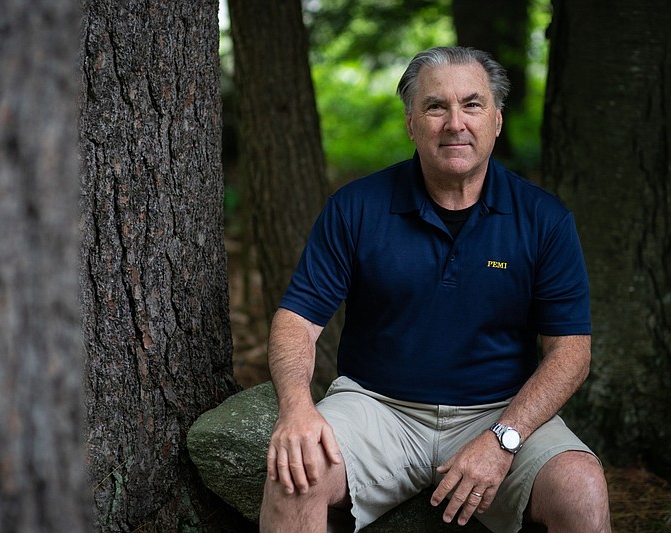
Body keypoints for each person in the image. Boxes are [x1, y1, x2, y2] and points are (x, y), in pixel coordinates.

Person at [259, 46, 611, 532]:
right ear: (411, 123)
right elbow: (297, 319)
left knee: (581, 487)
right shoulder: (355, 208)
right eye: (435, 106)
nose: (454, 122)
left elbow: (571, 351)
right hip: (378, 408)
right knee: (295, 473)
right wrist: (296, 407)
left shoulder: (544, 219)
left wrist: (503, 438)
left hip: (499, 411)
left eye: (472, 104)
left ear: (497, 120)